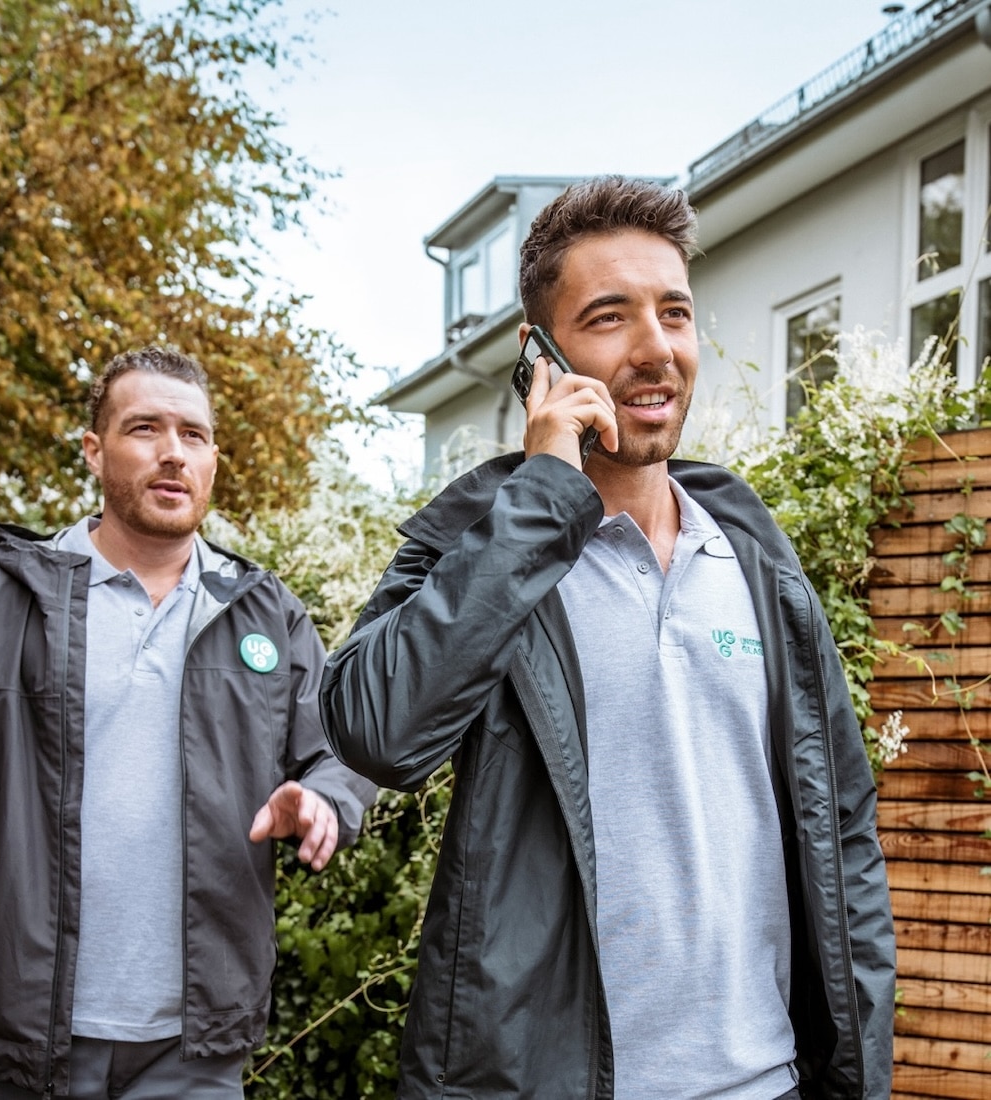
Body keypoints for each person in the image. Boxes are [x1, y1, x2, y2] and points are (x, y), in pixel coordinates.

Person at [320, 177, 895, 1099]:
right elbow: (373, 729)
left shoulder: (754, 558)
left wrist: (859, 1074)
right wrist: (543, 498)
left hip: (769, 1083)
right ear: (537, 353)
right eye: (609, 317)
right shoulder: (479, 541)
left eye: (675, 313)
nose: (655, 348)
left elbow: (844, 833)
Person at [0, 345, 376, 1099]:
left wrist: (323, 800)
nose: (173, 454)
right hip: (24, 1040)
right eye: (145, 429)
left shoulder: (265, 613)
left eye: (194, 435)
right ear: (94, 450)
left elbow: (340, 751)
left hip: (196, 1046)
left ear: (214, 459)